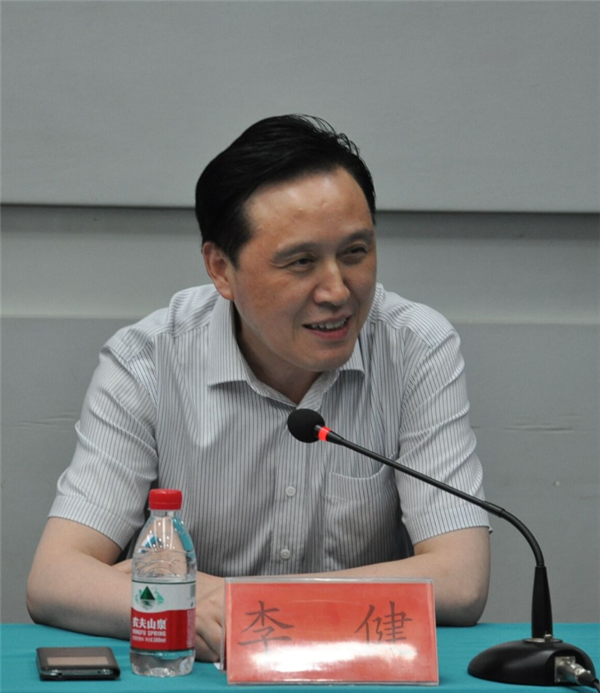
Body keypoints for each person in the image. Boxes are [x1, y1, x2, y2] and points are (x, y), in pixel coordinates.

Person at [27, 115, 491, 662]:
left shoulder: (415, 347)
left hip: (359, 670)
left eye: (355, 253)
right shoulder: (147, 362)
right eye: (300, 262)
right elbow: (56, 577)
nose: (337, 291)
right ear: (221, 269)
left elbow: (460, 580)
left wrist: (231, 600)